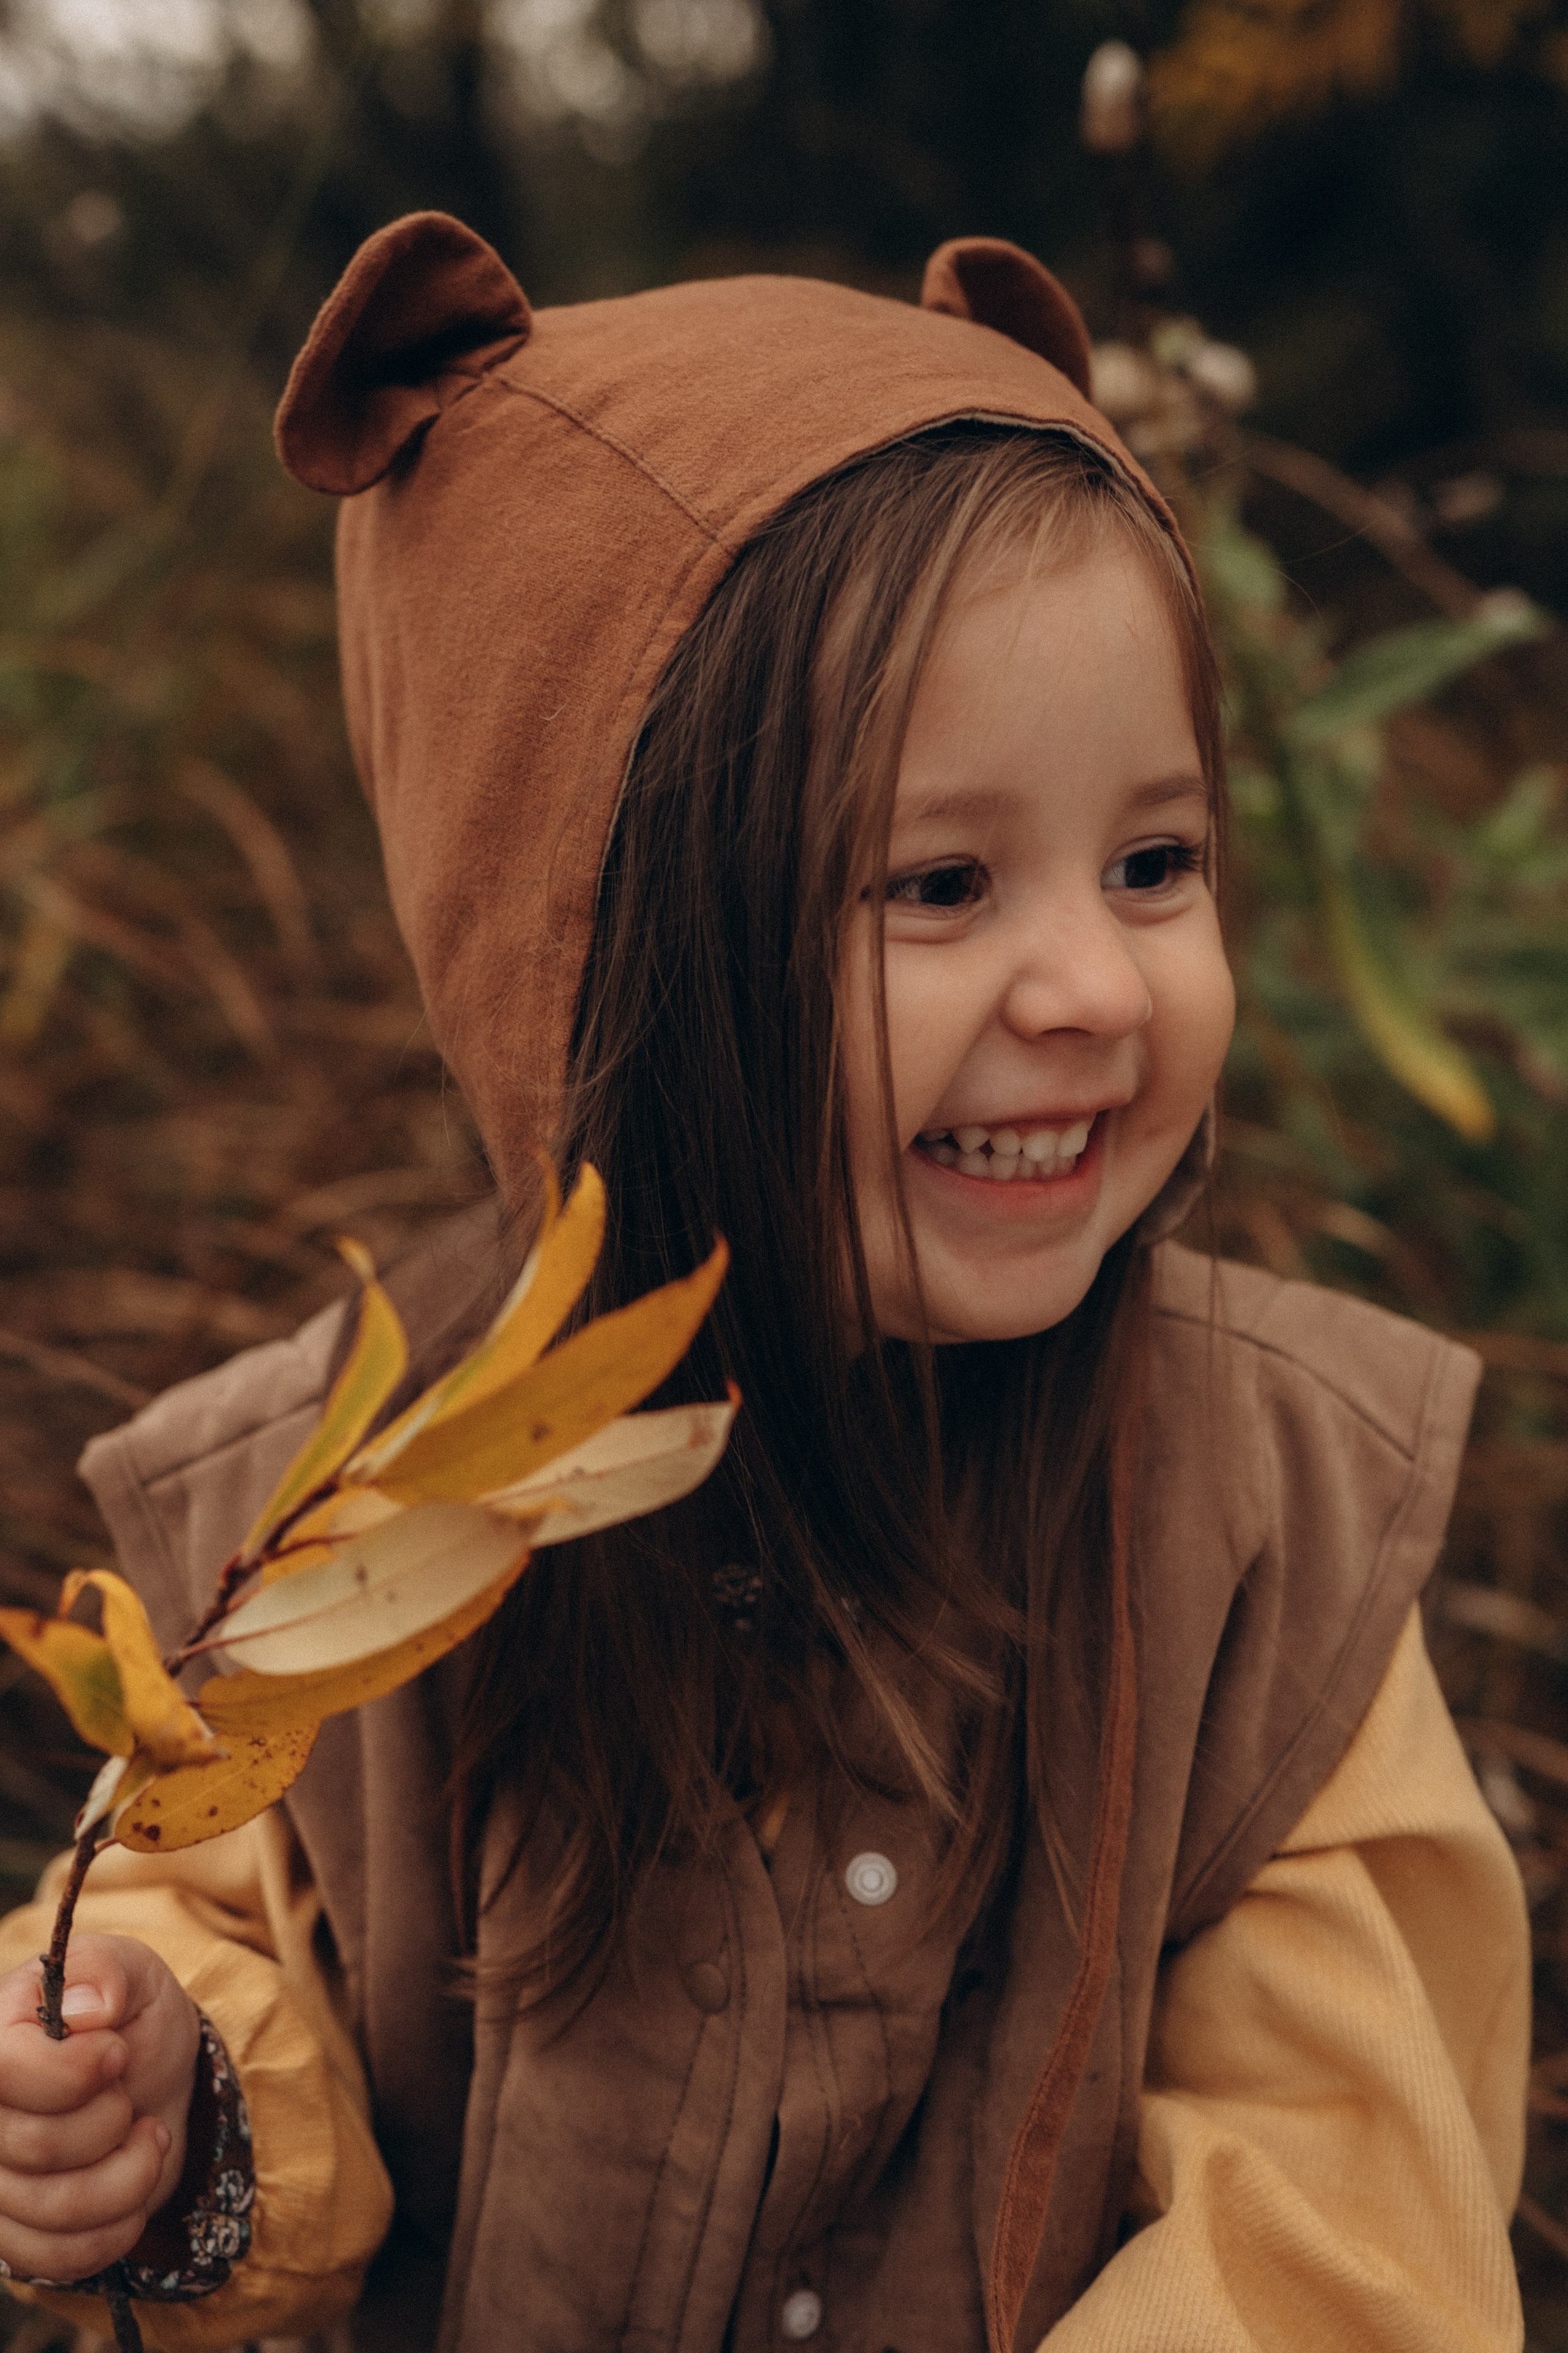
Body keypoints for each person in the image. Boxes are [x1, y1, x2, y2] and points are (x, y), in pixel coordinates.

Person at [0, 215, 1529, 2353]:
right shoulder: (353, 1503)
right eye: (940, 884)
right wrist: (163, 2098)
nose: (1093, 984)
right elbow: (221, 1931)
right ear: (602, 962)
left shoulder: (1265, 1536)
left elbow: (1335, 2235)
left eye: (1157, 862)